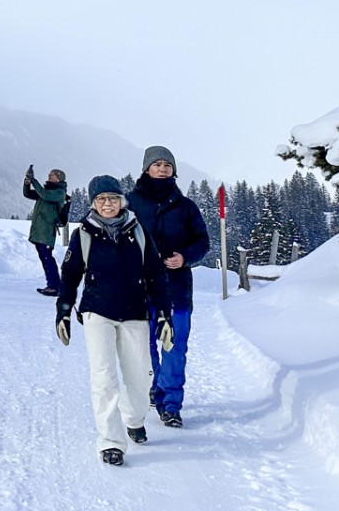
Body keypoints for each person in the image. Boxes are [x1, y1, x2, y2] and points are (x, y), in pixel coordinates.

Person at [55, 175, 173, 466]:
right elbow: (70, 274)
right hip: (97, 312)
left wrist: (164, 314)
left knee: (139, 375)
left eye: (113, 198)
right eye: (101, 199)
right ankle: (110, 441)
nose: (108, 204)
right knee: (104, 377)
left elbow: (156, 274)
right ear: (94, 203)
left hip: (135, 312)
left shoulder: (138, 231)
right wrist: (64, 310)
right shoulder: (83, 234)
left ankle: (133, 418)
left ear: (122, 201)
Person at [125, 145, 210, 428]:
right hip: (140, 289)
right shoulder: (130, 203)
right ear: (146, 168)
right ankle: (154, 385)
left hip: (177, 290)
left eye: (167, 164)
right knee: (143, 345)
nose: (162, 168)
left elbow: (202, 241)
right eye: (157, 164)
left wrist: (184, 257)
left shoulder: (186, 206)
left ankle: (171, 403)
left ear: (173, 170)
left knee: (175, 346)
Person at [22, 165, 68, 295]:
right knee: (45, 258)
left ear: (58, 179)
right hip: (40, 231)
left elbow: (44, 194)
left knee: (47, 258)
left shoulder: (59, 193)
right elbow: (27, 194)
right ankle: (54, 285)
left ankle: (54, 286)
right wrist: (27, 182)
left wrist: (34, 180)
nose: (49, 176)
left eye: (52, 175)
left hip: (46, 231)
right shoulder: (47, 190)